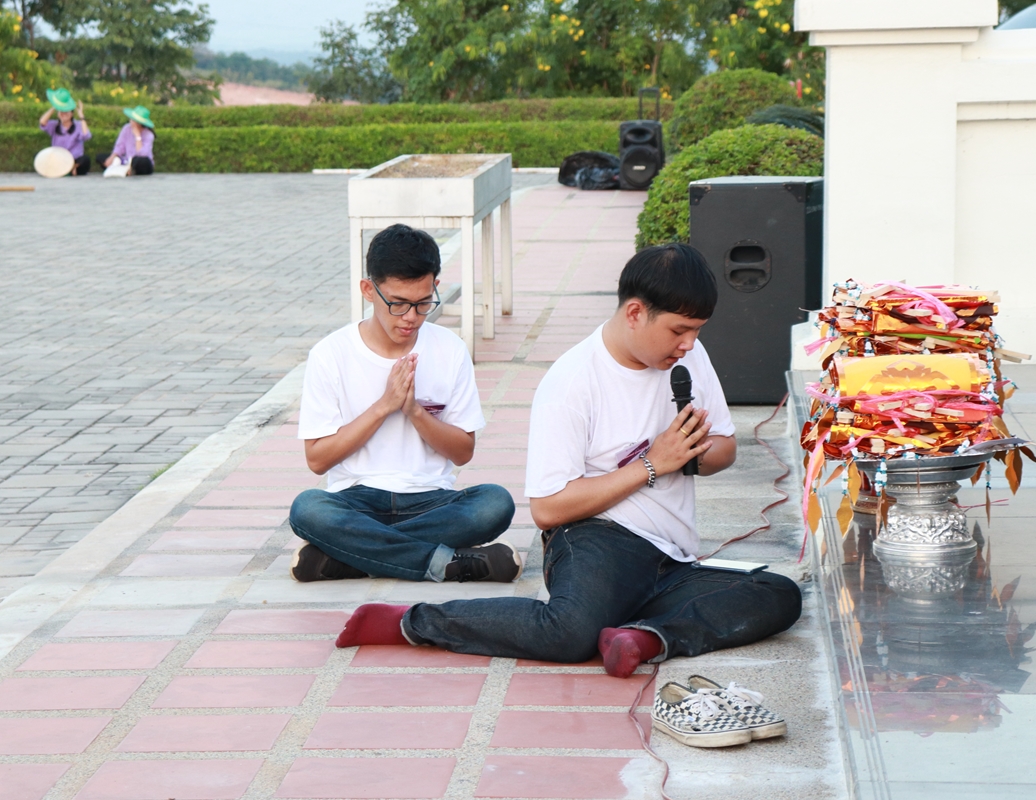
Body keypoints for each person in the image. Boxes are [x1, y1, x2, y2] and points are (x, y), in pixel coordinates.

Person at [335, 244, 802, 678]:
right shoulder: (571, 382)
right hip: (597, 540)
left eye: (697, 332)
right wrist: (653, 464)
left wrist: (691, 454)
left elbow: (724, 447)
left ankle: (643, 637)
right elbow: (548, 508)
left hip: (673, 558)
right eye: (679, 330)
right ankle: (411, 623)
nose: (688, 344)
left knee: (779, 595)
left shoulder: (689, 358)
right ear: (635, 313)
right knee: (570, 632)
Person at [288, 223, 518, 584]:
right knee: (308, 509)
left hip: (431, 501)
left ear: (435, 288)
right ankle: (450, 564)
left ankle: (356, 558)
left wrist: (413, 411)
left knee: (495, 503)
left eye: (423, 303)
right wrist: (384, 406)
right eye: (397, 304)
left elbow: (462, 452)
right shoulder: (331, 354)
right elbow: (317, 460)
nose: (411, 317)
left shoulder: (450, 349)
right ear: (369, 290)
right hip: (357, 502)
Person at [38, 89, 92, 176]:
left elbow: (86, 136)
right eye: (61, 112)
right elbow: (42, 122)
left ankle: (72, 168)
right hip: (58, 159)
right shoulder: (54, 125)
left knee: (85, 160)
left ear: (72, 114)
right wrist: (54, 106)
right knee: (39, 156)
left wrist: (82, 117)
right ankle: (66, 170)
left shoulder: (78, 125)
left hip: (74, 159)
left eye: (66, 112)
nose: (63, 114)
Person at [99, 106, 155, 175]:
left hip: (141, 162)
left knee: (141, 161)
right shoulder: (126, 128)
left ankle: (130, 170)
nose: (131, 121)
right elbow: (120, 146)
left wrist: (137, 136)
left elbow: (142, 154)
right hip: (126, 160)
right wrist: (112, 157)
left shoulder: (149, 135)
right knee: (101, 157)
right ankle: (121, 168)